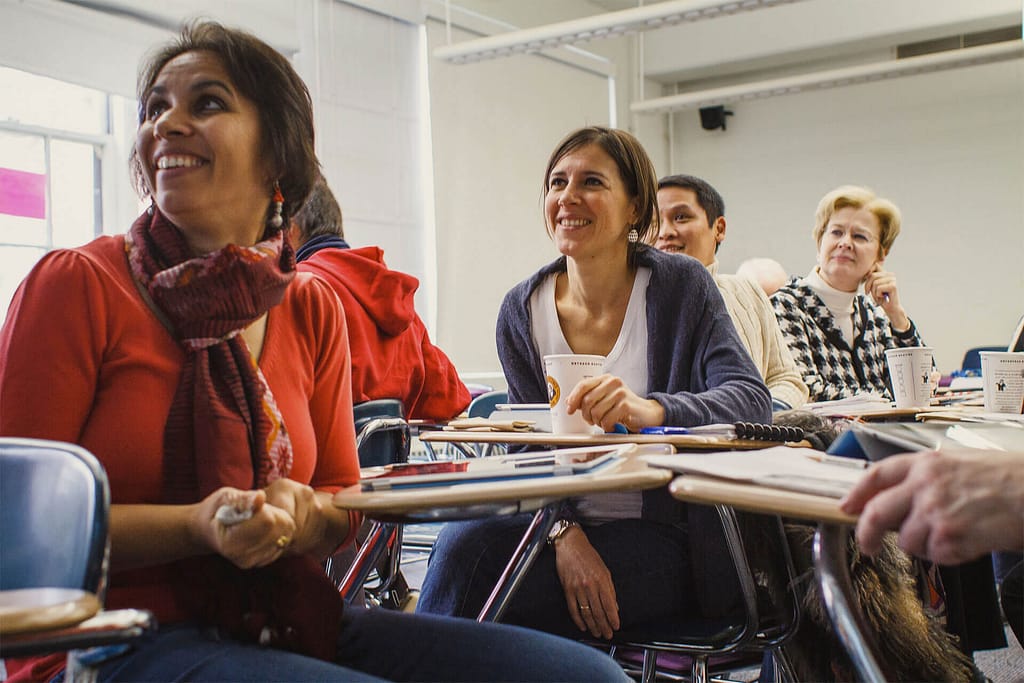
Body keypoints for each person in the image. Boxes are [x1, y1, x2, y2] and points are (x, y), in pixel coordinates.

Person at [0, 22, 630, 683]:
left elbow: (340, 507)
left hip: (283, 620)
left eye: (206, 102)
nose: (168, 123)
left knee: (589, 676)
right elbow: (17, 529)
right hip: (104, 642)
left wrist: (302, 518)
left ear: (277, 155)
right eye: (154, 107)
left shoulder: (309, 305)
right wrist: (196, 525)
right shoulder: (79, 284)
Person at [417, 126, 771, 641]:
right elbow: (531, 448)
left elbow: (751, 398)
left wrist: (653, 410)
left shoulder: (680, 286)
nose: (568, 197)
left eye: (592, 182)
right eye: (557, 182)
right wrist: (565, 534)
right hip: (556, 526)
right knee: (459, 545)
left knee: (501, 606)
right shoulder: (523, 309)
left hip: (667, 535)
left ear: (634, 209)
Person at [292, 176, 470, 421]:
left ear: (291, 229)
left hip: (319, 458)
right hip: (390, 459)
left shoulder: (293, 291)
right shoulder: (395, 298)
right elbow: (452, 398)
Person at [655, 174, 807, 410]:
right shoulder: (635, 300)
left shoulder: (747, 291)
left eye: (681, 217)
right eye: (654, 221)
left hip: (754, 438)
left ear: (719, 228)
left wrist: (762, 416)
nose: (665, 232)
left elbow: (787, 379)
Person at [771, 184, 926, 402]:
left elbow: (922, 389)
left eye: (860, 237)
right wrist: (887, 401)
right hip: (828, 436)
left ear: (882, 253)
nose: (845, 243)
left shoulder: (876, 314)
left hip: (884, 434)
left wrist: (897, 316)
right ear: (819, 242)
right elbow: (807, 390)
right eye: (836, 232)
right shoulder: (785, 305)